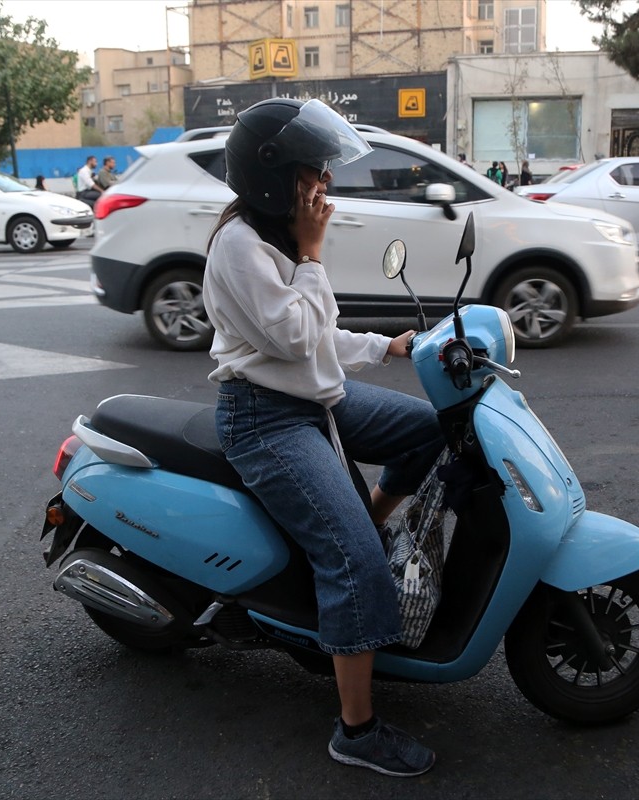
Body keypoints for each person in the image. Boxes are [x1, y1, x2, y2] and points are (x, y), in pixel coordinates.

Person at [202, 97, 443, 778]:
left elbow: (319, 335)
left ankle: (361, 523)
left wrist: (385, 347)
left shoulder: (276, 235)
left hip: (312, 398)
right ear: (276, 174)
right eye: (316, 169)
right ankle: (356, 731)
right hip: (264, 417)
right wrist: (313, 253)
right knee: (355, 561)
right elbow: (297, 335)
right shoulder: (243, 246)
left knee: (427, 429)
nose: (327, 183)